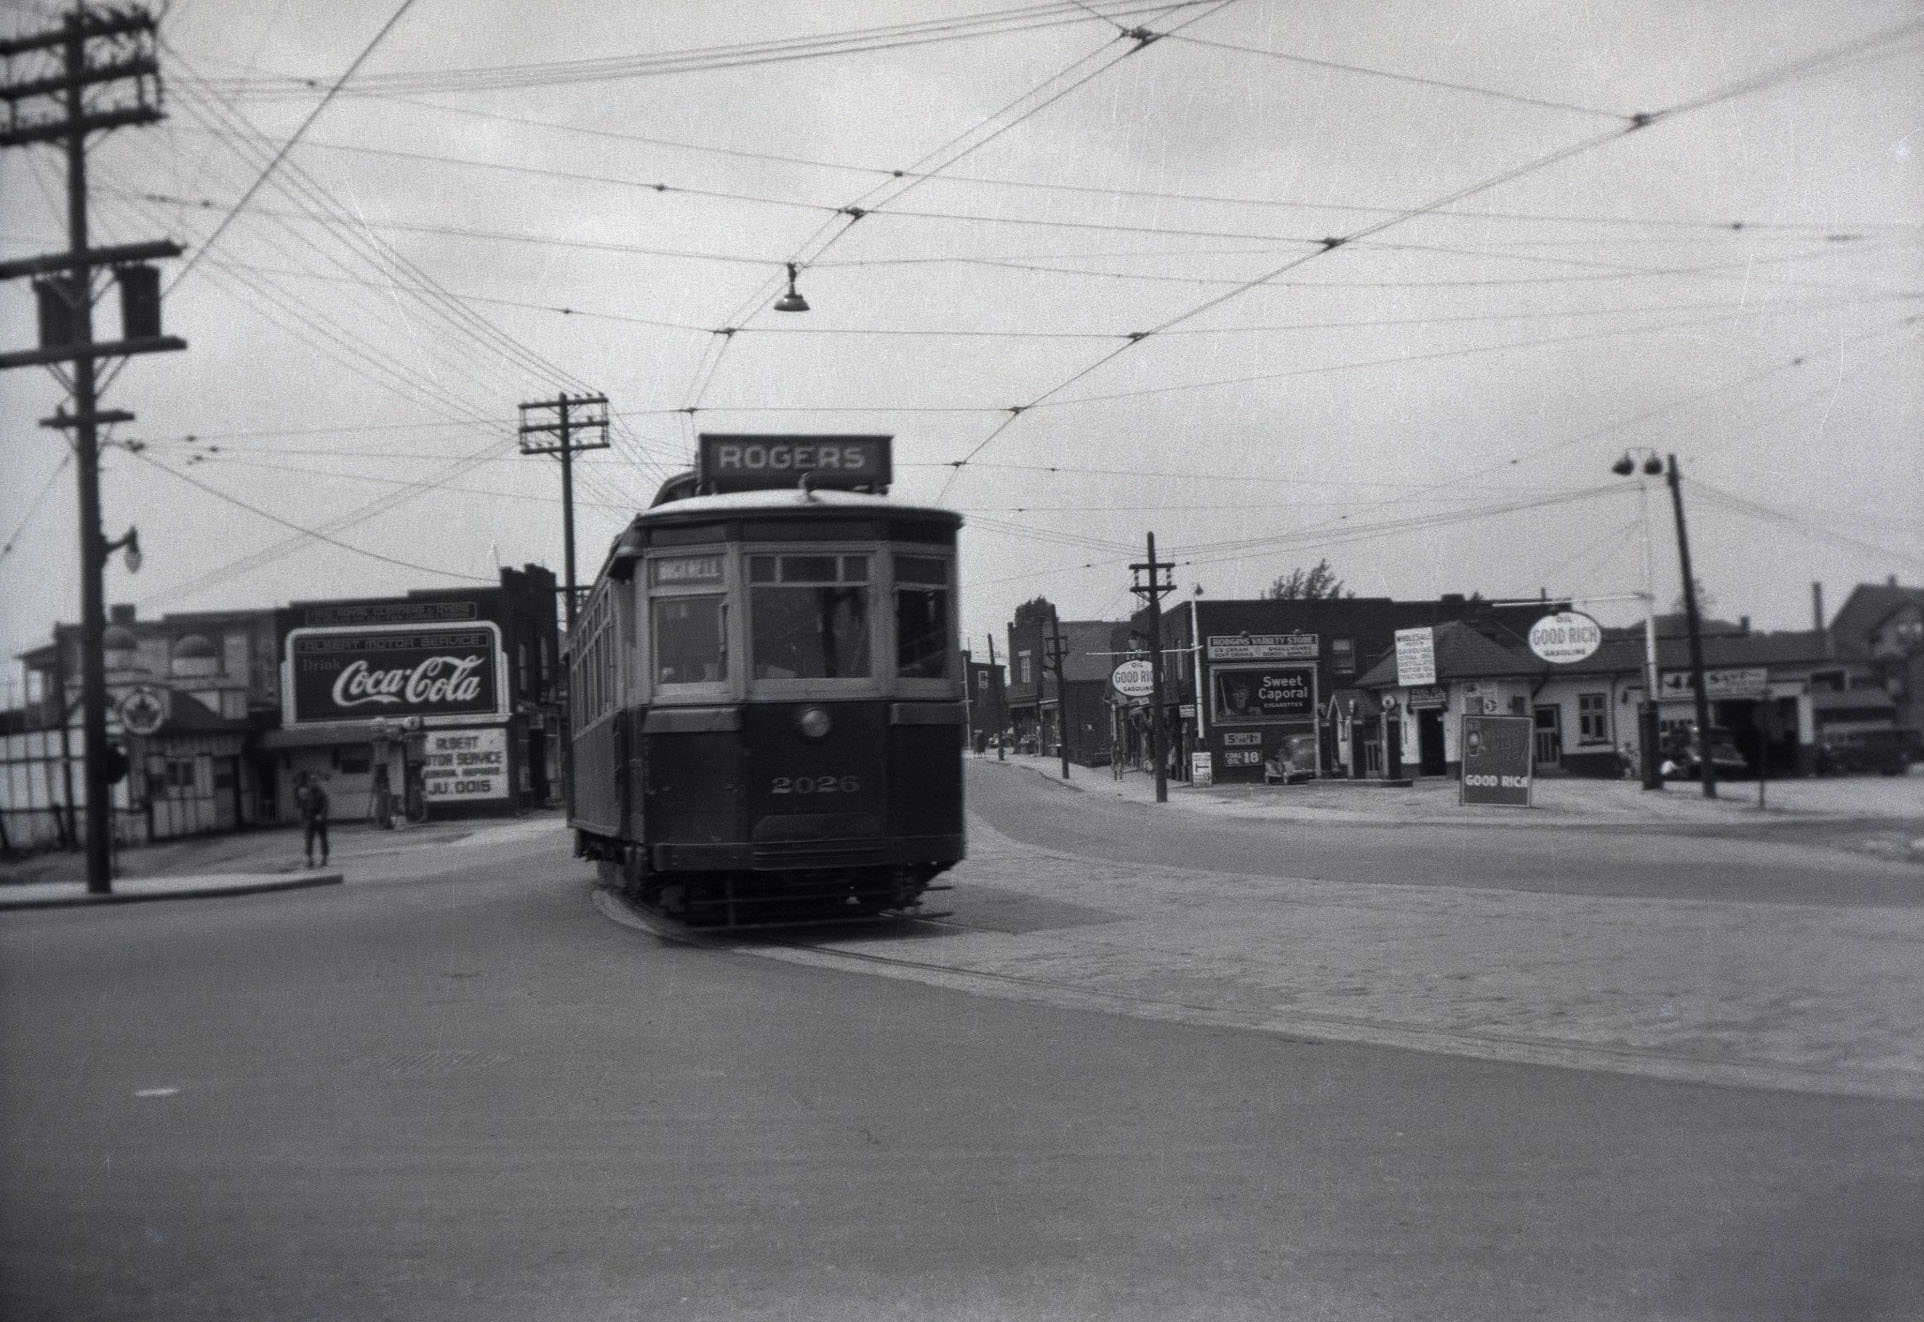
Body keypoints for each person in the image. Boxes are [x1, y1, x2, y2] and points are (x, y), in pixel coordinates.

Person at [296, 771, 330, 868]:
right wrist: (303, 819)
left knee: (323, 839)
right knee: (309, 840)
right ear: (309, 782)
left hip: (319, 819)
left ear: (317, 782)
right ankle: (310, 860)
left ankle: (324, 859)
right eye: (311, 781)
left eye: (314, 781)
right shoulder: (306, 793)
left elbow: (325, 805)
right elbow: (303, 806)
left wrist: (321, 815)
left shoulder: (322, 793)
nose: (313, 782)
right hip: (309, 819)